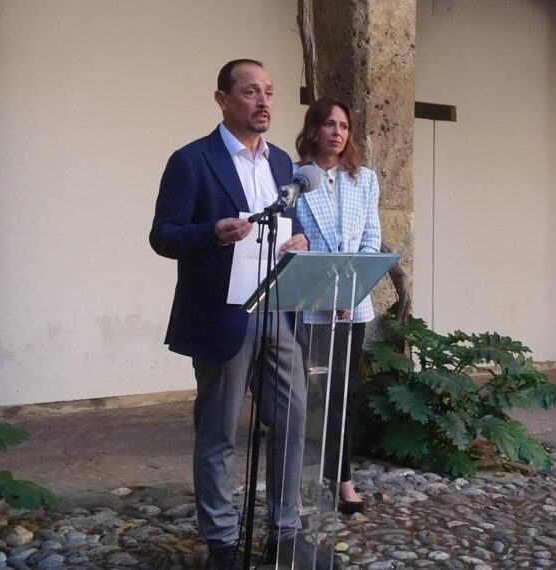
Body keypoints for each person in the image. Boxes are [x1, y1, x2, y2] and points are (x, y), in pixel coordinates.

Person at [150, 59, 338, 570]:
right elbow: (163, 235)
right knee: (218, 430)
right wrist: (211, 233)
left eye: (269, 92)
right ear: (223, 99)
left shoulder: (281, 162)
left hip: (277, 306)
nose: (263, 102)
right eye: (251, 91)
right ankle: (222, 544)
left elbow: (288, 218)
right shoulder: (192, 160)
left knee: (293, 418)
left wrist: (297, 239)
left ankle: (284, 532)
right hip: (222, 312)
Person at [295, 98, 382, 515]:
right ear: (313, 129)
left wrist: (349, 293)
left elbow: (370, 240)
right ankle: (301, 477)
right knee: (307, 396)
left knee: (341, 395)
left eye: (344, 126)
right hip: (309, 304)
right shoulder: (295, 179)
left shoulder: (363, 179)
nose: (337, 132)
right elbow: (293, 240)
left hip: (351, 307)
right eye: (329, 124)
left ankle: (342, 477)